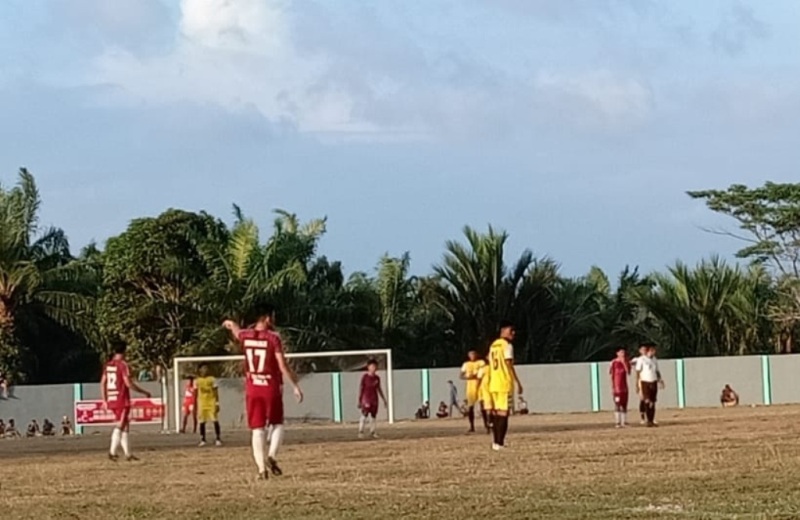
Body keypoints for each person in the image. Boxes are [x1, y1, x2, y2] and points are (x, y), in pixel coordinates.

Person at [223, 303, 303, 481]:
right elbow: (282, 365)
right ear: (267, 318)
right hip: (270, 387)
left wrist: (231, 324)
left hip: (253, 388)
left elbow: (237, 332)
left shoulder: (246, 335)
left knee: (257, 429)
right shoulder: (273, 338)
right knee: (277, 423)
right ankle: (272, 455)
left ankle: (261, 469)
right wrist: (295, 385)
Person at [101, 342, 151, 461]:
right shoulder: (123, 365)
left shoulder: (108, 365)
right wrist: (144, 392)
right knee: (121, 424)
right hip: (121, 399)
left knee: (125, 425)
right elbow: (128, 383)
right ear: (124, 351)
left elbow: (103, 382)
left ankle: (128, 454)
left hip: (112, 398)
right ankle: (112, 452)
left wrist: (104, 400)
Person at [487, 320, 523, 451]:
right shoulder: (507, 345)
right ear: (503, 331)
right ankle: (499, 442)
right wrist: (517, 382)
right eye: (510, 330)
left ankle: (495, 442)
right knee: (503, 413)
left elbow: (489, 361)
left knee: (497, 413)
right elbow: (509, 364)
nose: (513, 333)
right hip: (504, 382)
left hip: (493, 383)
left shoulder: (493, 345)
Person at [634, 343, 663, 427]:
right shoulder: (641, 359)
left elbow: (657, 370)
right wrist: (637, 383)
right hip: (645, 381)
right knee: (647, 400)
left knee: (653, 401)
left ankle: (651, 420)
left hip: (653, 381)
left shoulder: (654, 359)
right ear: (648, 351)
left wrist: (660, 380)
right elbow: (638, 372)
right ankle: (647, 419)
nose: (654, 352)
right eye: (652, 350)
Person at [357, 359, 387, 439]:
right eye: (372, 366)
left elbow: (379, 389)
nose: (374, 368)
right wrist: (359, 400)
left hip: (374, 399)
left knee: (373, 416)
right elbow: (361, 388)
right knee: (365, 414)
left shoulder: (377, 378)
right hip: (366, 398)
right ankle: (361, 431)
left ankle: (373, 431)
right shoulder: (365, 377)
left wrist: (384, 399)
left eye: (375, 366)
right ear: (368, 367)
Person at [195, 364, 222, 447]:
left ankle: (218, 438)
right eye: (203, 368)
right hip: (202, 403)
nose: (205, 370)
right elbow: (195, 393)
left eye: (206, 368)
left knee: (215, 420)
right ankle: (203, 439)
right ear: (200, 370)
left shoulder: (212, 379)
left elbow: (215, 391)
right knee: (202, 421)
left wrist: (217, 402)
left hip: (211, 402)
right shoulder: (197, 381)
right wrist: (195, 404)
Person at [460, 351, 486, 433]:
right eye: (471, 355)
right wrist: (468, 377)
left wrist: (477, 376)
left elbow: (483, 372)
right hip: (471, 387)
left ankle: (487, 425)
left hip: (480, 386)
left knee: (483, 406)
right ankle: (472, 426)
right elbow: (461, 375)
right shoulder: (466, 364)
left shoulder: (481, 362)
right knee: (471, 407)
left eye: (474, 354)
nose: (472, 356)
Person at [610, 347, 631, 428]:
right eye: (621, 352)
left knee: (624, 404)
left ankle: (624, 421)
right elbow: (611, 375)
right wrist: (612, 387)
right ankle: (617, 422)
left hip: (624, 387)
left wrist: (624, 363)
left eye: (624, 352)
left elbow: (628, 372)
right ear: (617, 353)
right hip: (617, 387)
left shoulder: (626, 362)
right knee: (617, 404)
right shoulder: (613, 362)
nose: (623, 354)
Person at [632, 345, 648, 424]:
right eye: (643, 350)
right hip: (641, 382)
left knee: (649, 399)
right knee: (642, 399)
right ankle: (642, 417)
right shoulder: (638, 359)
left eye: (645, 349)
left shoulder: (650, 359)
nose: (644, 351)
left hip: (649, 381)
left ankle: (649, 417)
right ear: (640, 351)